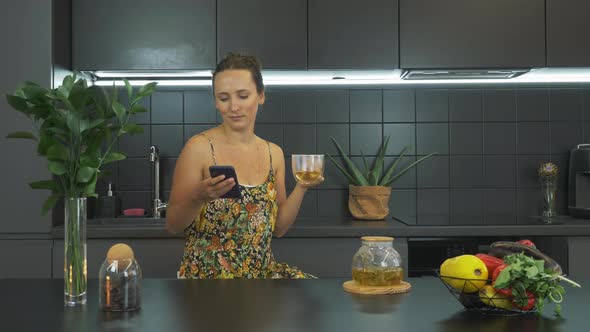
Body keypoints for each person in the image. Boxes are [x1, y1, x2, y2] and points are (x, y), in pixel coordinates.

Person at [166, 53, 323, 279]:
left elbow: (278, 229)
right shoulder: (199, 148)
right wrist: (198, 196)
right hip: (208, 282)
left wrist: (302, 187)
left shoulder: (274, 154)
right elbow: (172, 225)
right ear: (215, 102)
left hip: (262, 277)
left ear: (260, 96)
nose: (233, 107)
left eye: (242, 96)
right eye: (223, 98)